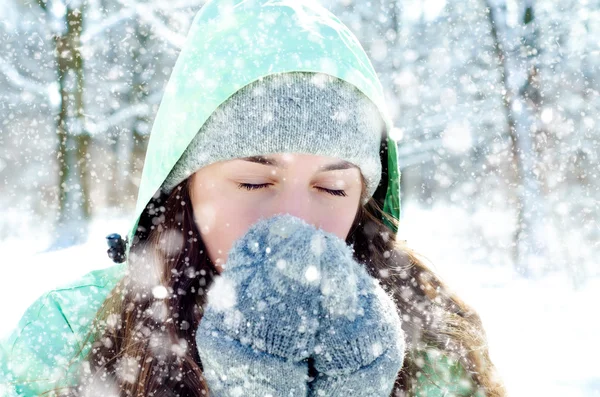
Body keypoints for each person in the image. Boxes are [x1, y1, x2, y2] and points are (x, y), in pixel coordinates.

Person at [0, 0, 506, 396]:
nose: (295, 220)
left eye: (332, 188)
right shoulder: (71, 340)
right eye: (254, 183)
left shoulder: (434, 348)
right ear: (183, 190)